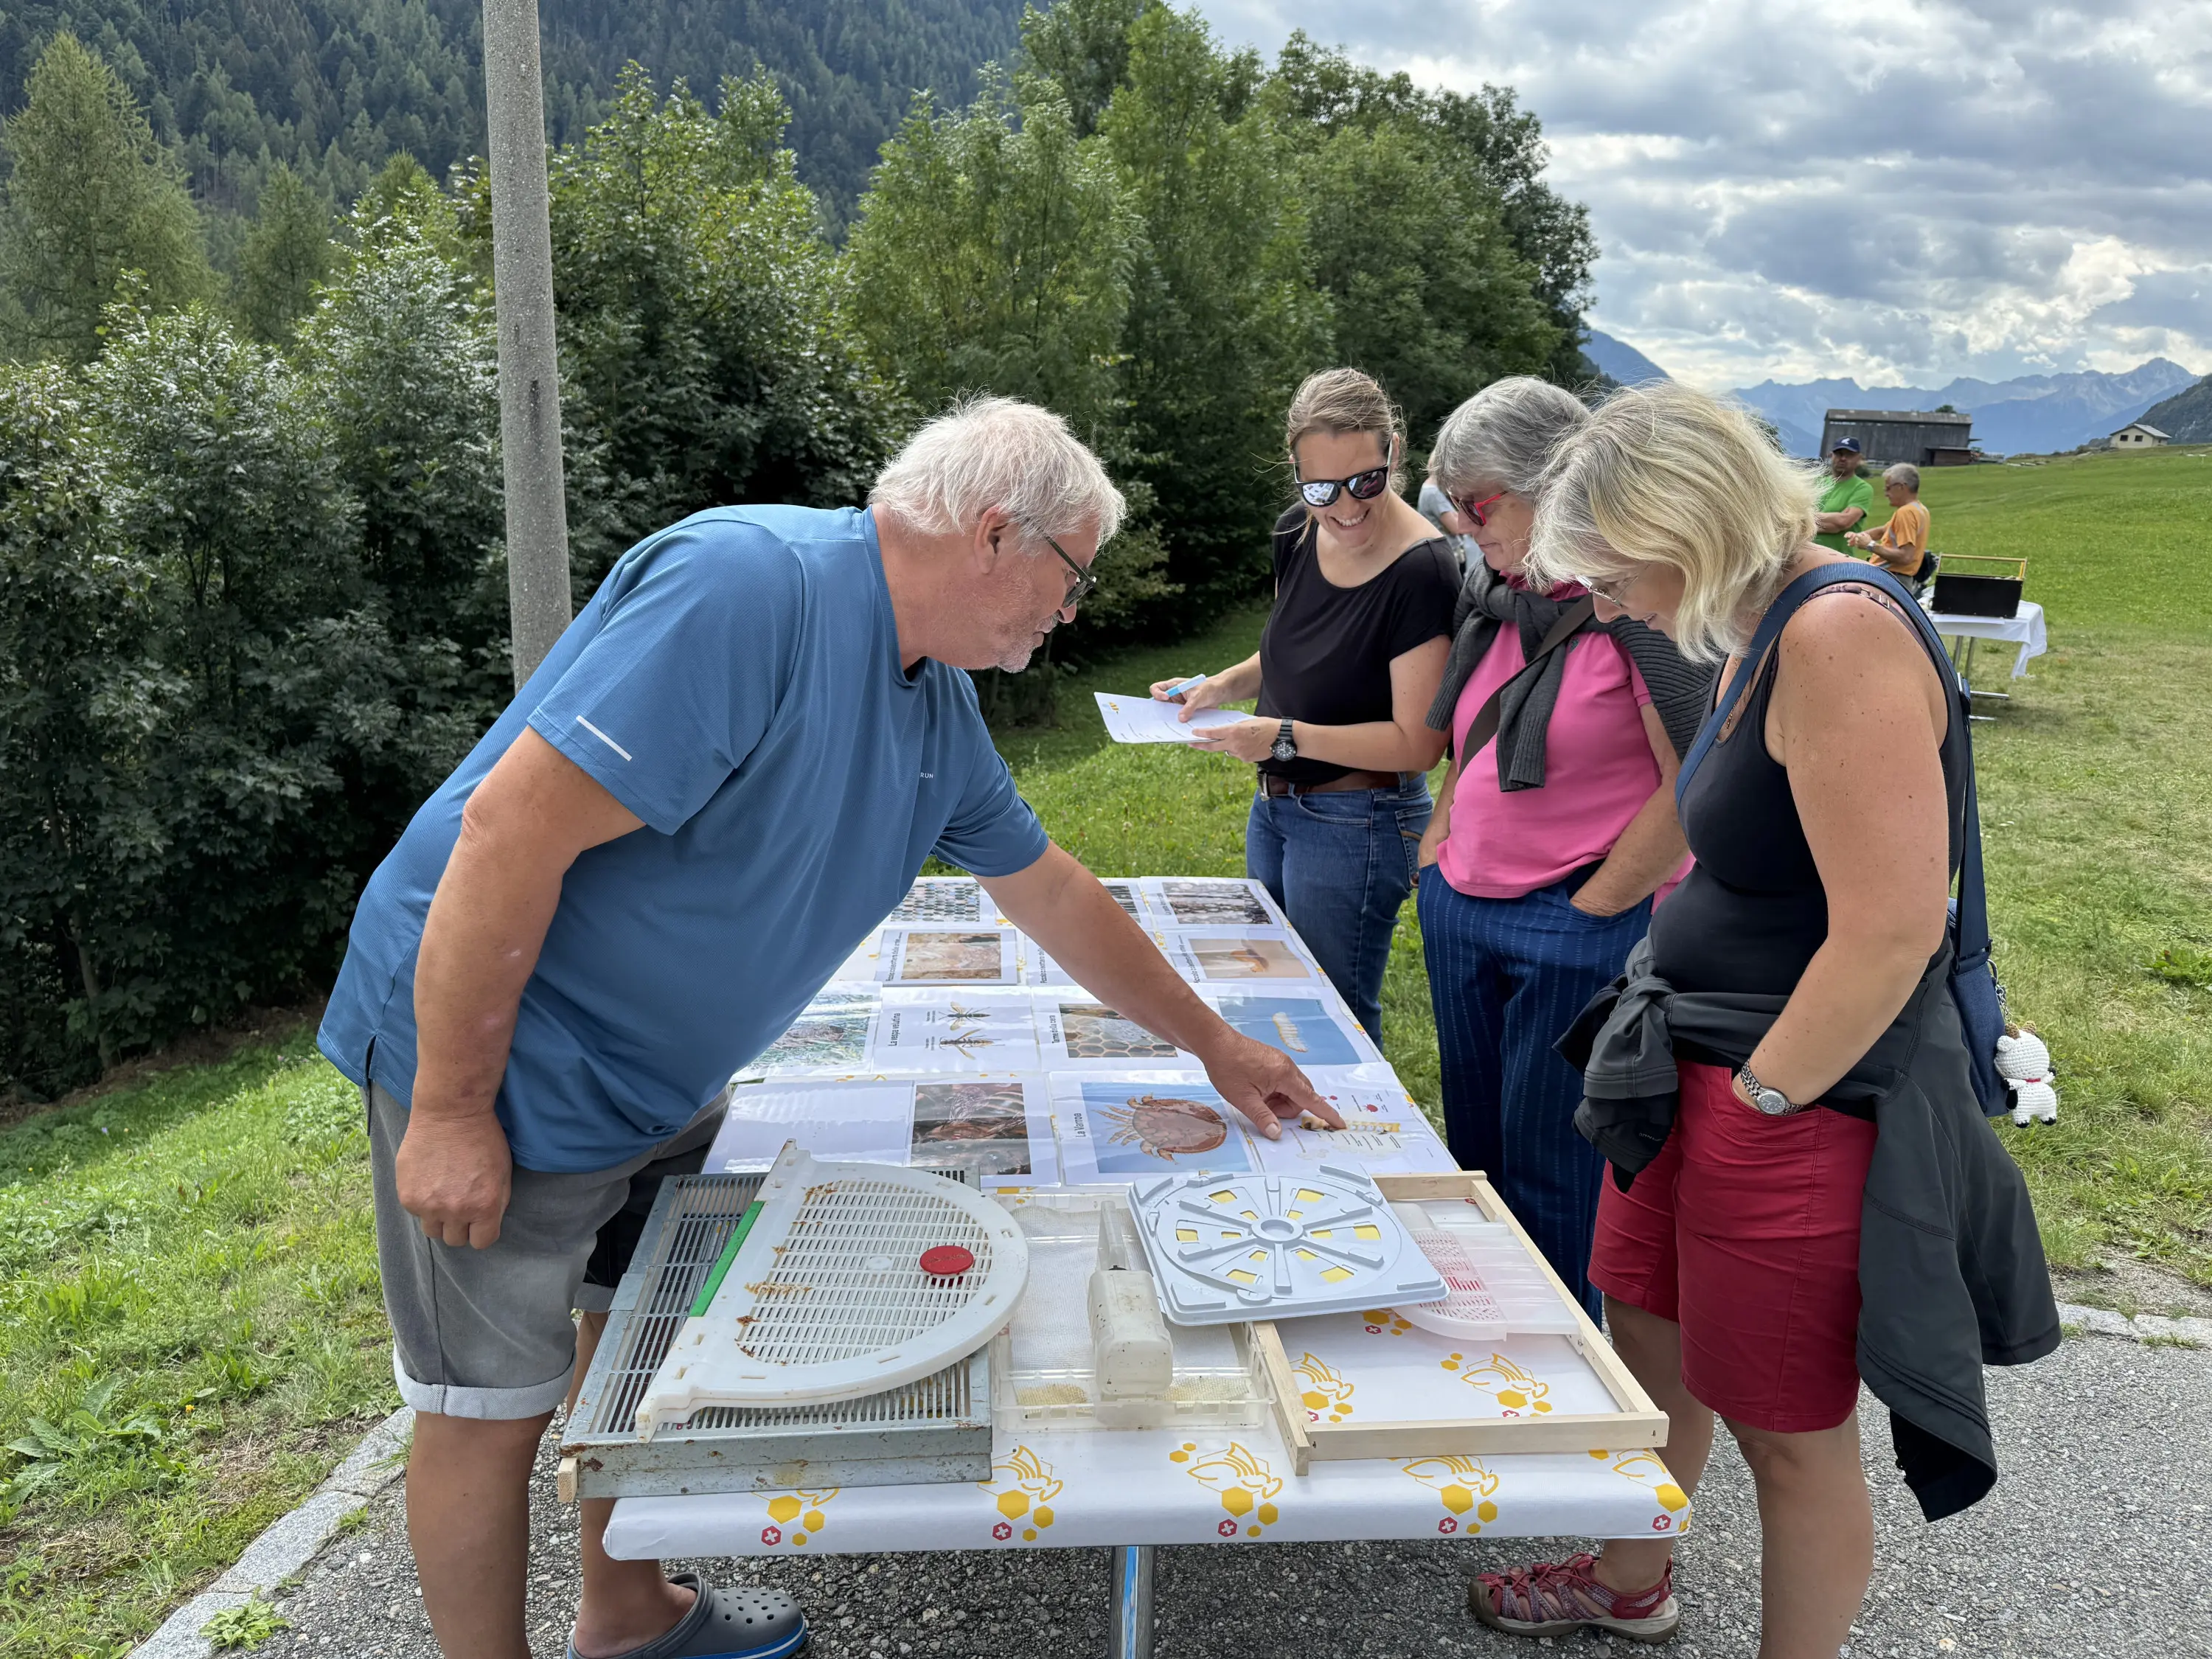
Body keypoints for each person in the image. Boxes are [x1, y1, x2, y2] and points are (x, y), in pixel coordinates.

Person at [316, 397, 1338, 1659]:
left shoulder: (934, 699)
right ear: (991, 535)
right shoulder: (751, 587)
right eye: (1069, 580)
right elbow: (506, 831)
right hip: (507, 1057)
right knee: (487, 1406)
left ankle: (625, 1613)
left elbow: (1053, 895)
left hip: (662, 1072)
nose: (1067, 614)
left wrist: (1216, 1046)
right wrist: (454, 1108)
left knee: (624, 1337)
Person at [1468, 383, 2055, 1655]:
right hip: (1692, 1063)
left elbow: (1893, 927)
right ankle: (1633, 1585)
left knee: (1787, 1436)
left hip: (1791, 1093)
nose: (1609, 606)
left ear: (1687, 522)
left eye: (1616, 575)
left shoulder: (1839, 630)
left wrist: (1767, 1095)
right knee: (1648, 1352)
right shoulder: (1757, 617)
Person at [1413, 377, 1708, 1315]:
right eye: (1452, 502)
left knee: (1552, 1177)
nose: (1462, 524)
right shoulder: (1494, 592)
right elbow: (1470, 735)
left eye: (1479, 501)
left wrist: (1598, 905)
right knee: (1477, 1159)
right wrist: (1438, 849)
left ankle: (1556, 1380)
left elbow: (1697, 778)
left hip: (1576, 923)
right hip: (1467, 907)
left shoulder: (1634, 602)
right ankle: (1488, 1345)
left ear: (1560, 480)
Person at [1150, 369, 1458, 1039]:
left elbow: (1418, 743)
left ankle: (1359, 1143)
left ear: (1394, 453)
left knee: (1333, 1018)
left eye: (1364, 482)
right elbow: (1302, 649)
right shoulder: (1297, 531)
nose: (1345, 508)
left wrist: (1284, 735)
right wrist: (1221, 687)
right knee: (1276, 996)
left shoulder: (1424, 571)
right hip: (1278, 806)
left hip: (1360, 820)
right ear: (1294, 473)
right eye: (1320, 488)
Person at [1847, 461, 1931, 587]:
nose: (1886, 493)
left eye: (1888, 488)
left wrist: (1870, 545)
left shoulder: (1906, 512)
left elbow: (1905, 557)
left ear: (1901, 487)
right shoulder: (1920, 509)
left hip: (1891, 579)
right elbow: (1883, 531)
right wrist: (1859, 536)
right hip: (1898, 579)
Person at [1812, 436, 1874, 552]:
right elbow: (1798, 518)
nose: (1843, 458)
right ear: (1832, 455)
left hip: (1839, 560)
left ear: (1859, 458)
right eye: (1839, 454)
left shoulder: (1862, 488)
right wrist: (1833, 521)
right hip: (1808, 556)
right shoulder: (1819, 484)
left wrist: (1808, 520)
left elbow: (1844, 522)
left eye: (1849, 455)